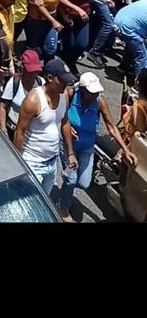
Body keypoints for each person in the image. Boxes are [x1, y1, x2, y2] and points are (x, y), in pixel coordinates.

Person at [57, 71, 136, 221]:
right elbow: (60, 114)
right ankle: (63, 207)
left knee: (84, 183)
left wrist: (126, 150)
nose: (94, 95)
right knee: (71, 179)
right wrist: (66, 124)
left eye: (96, 92)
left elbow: (112, 127)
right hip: (69, 145)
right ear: (82, 89)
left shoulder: (100, 102)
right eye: (91, 92)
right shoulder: (70, 94)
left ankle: (67, 187)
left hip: (87, 147)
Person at [14, 58, 76, 195]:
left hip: (52, 162)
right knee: (29, 202)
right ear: (50, 78)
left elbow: (65, 122)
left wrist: (70, 153)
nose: (66, 84)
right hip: (32, 162)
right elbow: (20, 132)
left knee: (45, 200)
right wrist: (17, 165)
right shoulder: (33, 100)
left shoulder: (64, 96)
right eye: (62, 80)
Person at [87, 0, 132, 69]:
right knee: (109, 24)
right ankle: (95, 52)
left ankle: (98, 46)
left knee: (101, 20)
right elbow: (127, 0)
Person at [0, 49, 44, 139]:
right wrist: (3, 130)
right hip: (12, 129)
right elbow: (3, 107)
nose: (33, 74)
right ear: (23, 67)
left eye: (36, 71)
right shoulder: (14, 83)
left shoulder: (41, 83)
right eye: (31, 71)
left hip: (31, 133)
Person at [114, 0, 147, 78]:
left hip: (122, 18)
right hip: (129, 27)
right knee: (142, 57)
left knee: (132, 46)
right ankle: (139, 84)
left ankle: (124, 66)